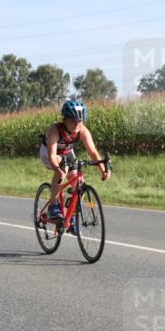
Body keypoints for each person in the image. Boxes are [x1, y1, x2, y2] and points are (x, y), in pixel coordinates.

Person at [40, 99, 110, 233]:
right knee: (63, 166)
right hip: (48, 154)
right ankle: (53, 205)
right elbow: (52, 156)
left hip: (67, 152)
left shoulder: (82, 131)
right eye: (73, 121)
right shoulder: (55, 130)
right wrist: (58, 171)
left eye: (80, 121)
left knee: (79, 183)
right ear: (65, 119)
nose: (77, 125)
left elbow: (93, 152)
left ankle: (70, 217)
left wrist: (103, 170)